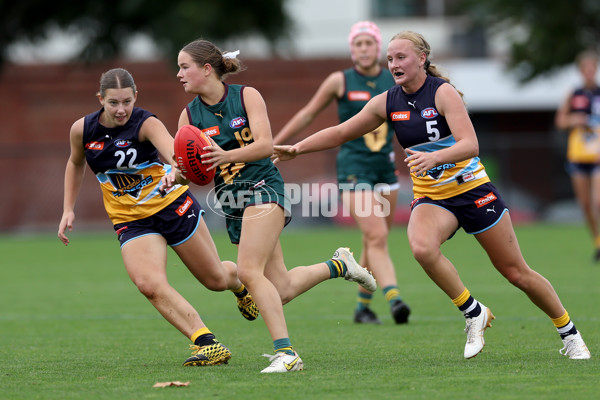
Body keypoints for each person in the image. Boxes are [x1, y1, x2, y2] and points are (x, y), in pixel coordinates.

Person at [274, 31, 591, 360]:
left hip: (473, 191)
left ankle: (569, 332)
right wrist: (298, 148)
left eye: (401, 57)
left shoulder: (443, 93)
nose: (394, 64)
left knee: (515, 272)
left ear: (422, 58)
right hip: (433, 198)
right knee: (422, 248)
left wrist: (435, 157)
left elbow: (470, 144)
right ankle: (473, 312)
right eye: (391, 59)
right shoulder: (388, 101)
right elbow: (341, 131)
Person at [163, 39, 376, 373]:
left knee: (248, 271)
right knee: (281, 289)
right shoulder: (188, 116)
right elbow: (191, 168)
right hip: (233, 201)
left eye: (184, 66)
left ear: (206, 69)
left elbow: (264, 145)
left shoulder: (246, 96)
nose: (179, 74)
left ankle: (287, 354)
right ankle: (339, 265)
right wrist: (173, 177)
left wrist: (226, 155)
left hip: (265, 188)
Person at [57, 68, 261, 367]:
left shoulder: (146, 123)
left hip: (173, 207)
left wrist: (178, 173)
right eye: (113, 102)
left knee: (216, 279)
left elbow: (176, 153)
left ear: (135, 96)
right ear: (100, 99)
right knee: (148, 284)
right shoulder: (83, 130)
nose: (121, 109)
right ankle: (206, 342)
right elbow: (75, 163)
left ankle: (240, 287)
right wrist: (68, 209)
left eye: (127, 101)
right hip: (131, 220)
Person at [274, 21, 410, 325]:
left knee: (375, 240)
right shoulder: (341, 80)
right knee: (374, 235)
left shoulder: (395, 80)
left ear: (379, 49)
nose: (364, 48)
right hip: (352, 170)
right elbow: (308, 113)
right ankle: (394, 298)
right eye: (358, 44)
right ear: (352, 49)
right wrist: (278, 143)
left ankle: (363, 308)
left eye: (369, 43)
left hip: (385, 169)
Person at [555, 50, 600, 261]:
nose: (590, 72)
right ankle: (597, 241)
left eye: (593, 68)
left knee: (598, 201)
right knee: (585, 204)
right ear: (581, 71)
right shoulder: (574, 94)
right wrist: (575, 120)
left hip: (598, 156)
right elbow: (560, 121)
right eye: (586, 68)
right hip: (579, 155)